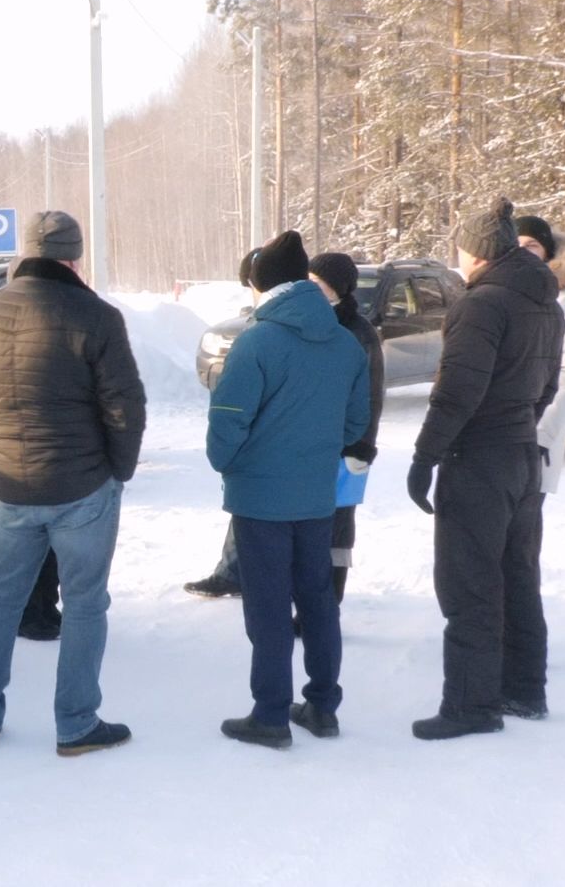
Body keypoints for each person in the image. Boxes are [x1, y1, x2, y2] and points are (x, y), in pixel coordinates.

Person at [0, 211, 147, 755]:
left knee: (0, 598)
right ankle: (76, 724)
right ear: (73, 257)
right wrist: (119, 469)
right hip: (82, 486)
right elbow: (124, 406)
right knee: (85, 603)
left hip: (11, 487)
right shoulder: (97, 315)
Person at [406, 200, 564, 740]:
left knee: (469, 582)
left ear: (476, 251)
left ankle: (472, 706)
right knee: (518, 576)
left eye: (461, 247)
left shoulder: (482, 305)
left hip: (479, 459)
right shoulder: (546, 302)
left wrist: (424, 457)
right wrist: (520, 424)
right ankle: (524, 689)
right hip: (523, 455)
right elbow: (546, 389)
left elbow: (456, 393)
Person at [207, 232, 370, 749]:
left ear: (261, 284)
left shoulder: (257, 340)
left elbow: (228, 420)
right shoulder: (345, 341)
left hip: (260, 497)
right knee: (318, 599)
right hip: (317, 494)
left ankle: (271, 715)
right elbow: (355, 423)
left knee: (269, 606)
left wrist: (229, 462)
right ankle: (322, 706)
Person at [511, 216, 565, 720]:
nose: (522, 253)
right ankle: (506, 651)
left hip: (530, 452)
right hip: (499, 451)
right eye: (514, 245)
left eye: (531, 246)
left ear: (551, 254)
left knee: (519, 562)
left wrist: (537, 438)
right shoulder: (518, 299)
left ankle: (526, 675)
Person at [184, 245, 267, 599]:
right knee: (250, 509)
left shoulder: (274, 330)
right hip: (263, 442)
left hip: (286, 445)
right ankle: (233, 572)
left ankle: (277, 584)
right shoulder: (258, 324)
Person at [308, 251, 386, 603]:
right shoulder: (306, 323)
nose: (311, 291)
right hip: (309, 443)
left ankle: (329, 598)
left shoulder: (358, 331)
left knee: (337, 525)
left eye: (319, 285)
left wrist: (362, 443)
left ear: (338, 290)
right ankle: (307, 596)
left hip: (346, 445)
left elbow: (371, 392)